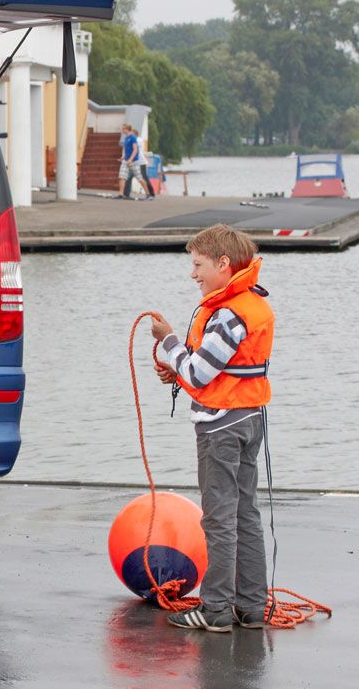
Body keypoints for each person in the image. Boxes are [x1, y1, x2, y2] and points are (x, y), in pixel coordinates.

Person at [149, 224, 273, 632]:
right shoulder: (252, 304)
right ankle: (252, 607)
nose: (193, 274)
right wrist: (180, 371)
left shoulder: (227, 315)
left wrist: (168, 343)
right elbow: (217, 370)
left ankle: (217, 609)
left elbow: (200, 374)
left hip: (222, 427)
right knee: (245, 513)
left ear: (223, 264)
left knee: (219, 518)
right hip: (251, 417)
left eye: (198, 264)